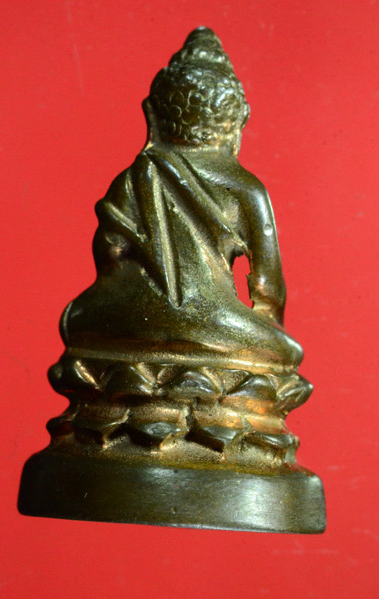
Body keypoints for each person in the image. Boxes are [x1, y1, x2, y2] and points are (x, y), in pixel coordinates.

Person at [59, 27, 303, 375]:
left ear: (152, 116)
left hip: (126, 323)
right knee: (286, 353)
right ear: (239, 123)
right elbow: (268, 291)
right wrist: (266, 327)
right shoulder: (247, 189)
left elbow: (110, 253)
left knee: (75, 321)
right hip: (217, 325)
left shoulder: (134, 177)